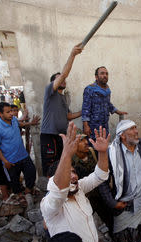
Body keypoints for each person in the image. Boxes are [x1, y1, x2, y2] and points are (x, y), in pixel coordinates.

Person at [40, 122, 110, 242]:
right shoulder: (50, 205)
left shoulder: (79, 189)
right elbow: (59, 191)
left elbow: (100, 175)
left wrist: (103, 152)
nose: (73, 177)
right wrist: (66, 154)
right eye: (68, 173)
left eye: (74, 172)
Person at [40, 44, 83, 176]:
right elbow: (64, 74)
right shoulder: (50, 92)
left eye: (63, 79)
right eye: (60, 79)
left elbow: (68, 116)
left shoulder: (63, 98)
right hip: (49, 135)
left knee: (61, 163)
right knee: (50, 167)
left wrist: (84, 112)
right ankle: (51, 193)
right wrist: (72, 55)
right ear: (54, 82)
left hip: (60, 136)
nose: (63, 80)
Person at [0, 102, 39, 207]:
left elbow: (20, 124)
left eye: (12, 111)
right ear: (0, 114)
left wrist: (31, 123)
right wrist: (5, 161)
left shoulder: (13, 120)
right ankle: (19, 196)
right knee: (14, 181)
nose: (12, 113)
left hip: (23, 155)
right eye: (8, 112)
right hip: (10, 160)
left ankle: (27, 192)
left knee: (31, 172)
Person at [72, 130, 114, 235]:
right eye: (81, 140)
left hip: (101, 193)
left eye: (86, 139)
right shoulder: (70, 161)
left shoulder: (93, 152)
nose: (86, 142)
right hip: (86, 198)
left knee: (110, 219)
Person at [82, 66, 127, 140]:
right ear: (96, 77)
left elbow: (108, 104)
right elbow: (85, 108)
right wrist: (86, 126)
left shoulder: (107, 89)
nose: (105, 75)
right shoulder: (89, 89)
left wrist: (118, 112)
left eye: (106, 74)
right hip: (93, 126)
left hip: (104, 126)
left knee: (104, 147)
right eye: (102, 73)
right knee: (93, 148)